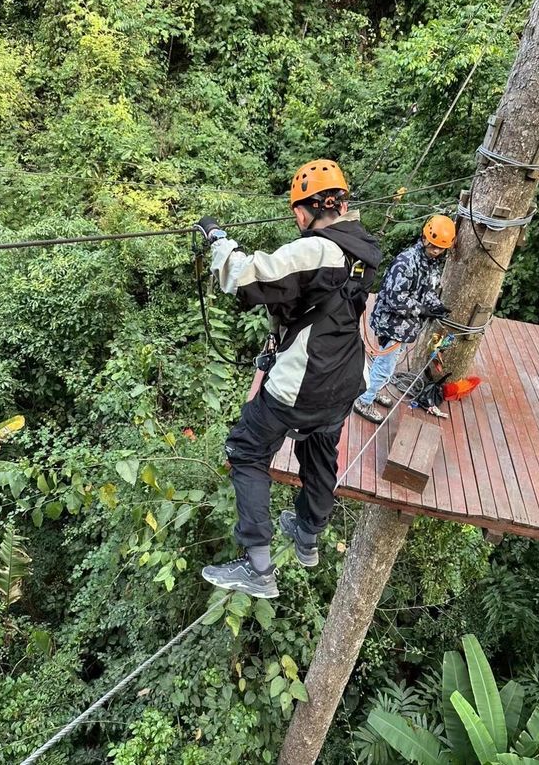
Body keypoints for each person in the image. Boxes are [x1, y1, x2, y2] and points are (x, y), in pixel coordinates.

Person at [193, 160, 382, 598]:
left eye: (297, 211)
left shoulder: (316, 250)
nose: (297, 219)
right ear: (343, 203)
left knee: (247, 448)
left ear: (305, 210)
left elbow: (248, 277)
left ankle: (257, 566)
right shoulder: (362, 246)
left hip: (303, 380)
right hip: (345, 377)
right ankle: (308, 536)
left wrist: (219, 242)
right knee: (318, 448)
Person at [353, 215, 456, 424]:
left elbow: (426, 289)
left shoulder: (430, 263)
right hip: (392, 324)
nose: (436, 250)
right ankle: (364, 400)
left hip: (406, 325)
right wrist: (422, 310)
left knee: (385, 365)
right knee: (385, 367)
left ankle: (373, 389)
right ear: (425, 238)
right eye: (433, 245)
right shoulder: (407, 261)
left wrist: (435, 306)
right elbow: (394, 298)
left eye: (440, 248)